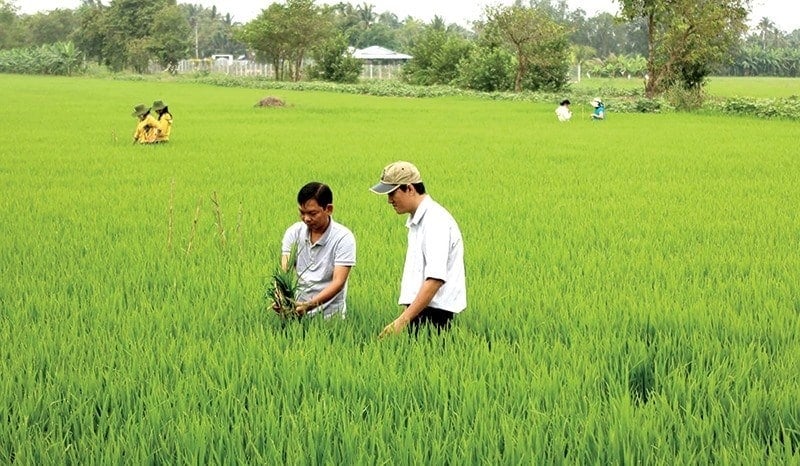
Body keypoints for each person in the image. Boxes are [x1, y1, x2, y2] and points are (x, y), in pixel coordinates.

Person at [370, 161, 466, 336]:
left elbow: (435, 278)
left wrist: (402, 321)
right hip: (421, 310)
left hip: (435, 315)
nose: (389, 200)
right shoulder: (419, 220)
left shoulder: (435, 221)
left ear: (409, 189)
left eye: (392, 193)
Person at [279, 182, 356, 319]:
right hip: (296, 314)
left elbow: (338, 282)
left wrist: (308, 306)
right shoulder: (294, 233)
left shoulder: (343, 238)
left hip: (330, 318)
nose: (306, 218)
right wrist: (280, 298)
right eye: (302, 213)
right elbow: (285, 270)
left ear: (329, 209)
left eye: (312, 213)